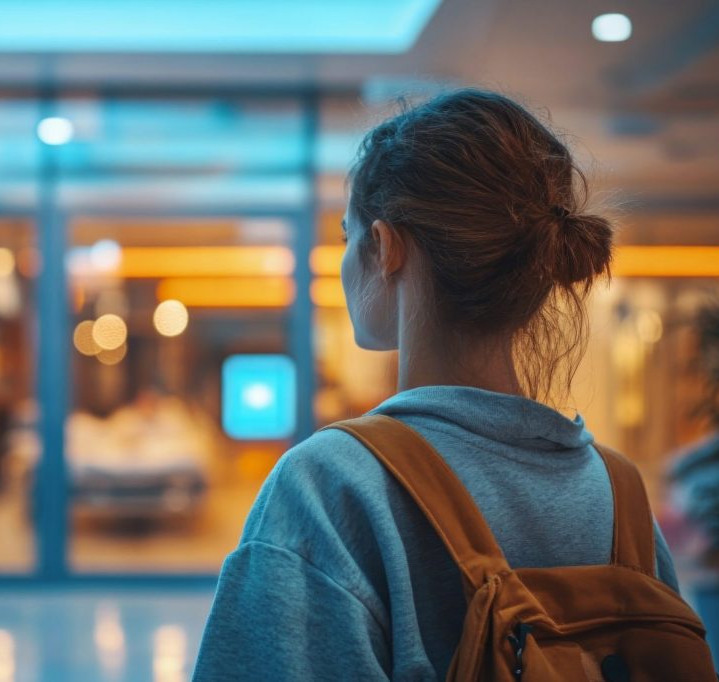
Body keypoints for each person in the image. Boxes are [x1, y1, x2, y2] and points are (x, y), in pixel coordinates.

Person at [192, 89, 682, 680]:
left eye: (348, 236)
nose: (345, 261)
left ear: (387, 247)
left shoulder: (331, 487)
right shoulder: (619, 496)